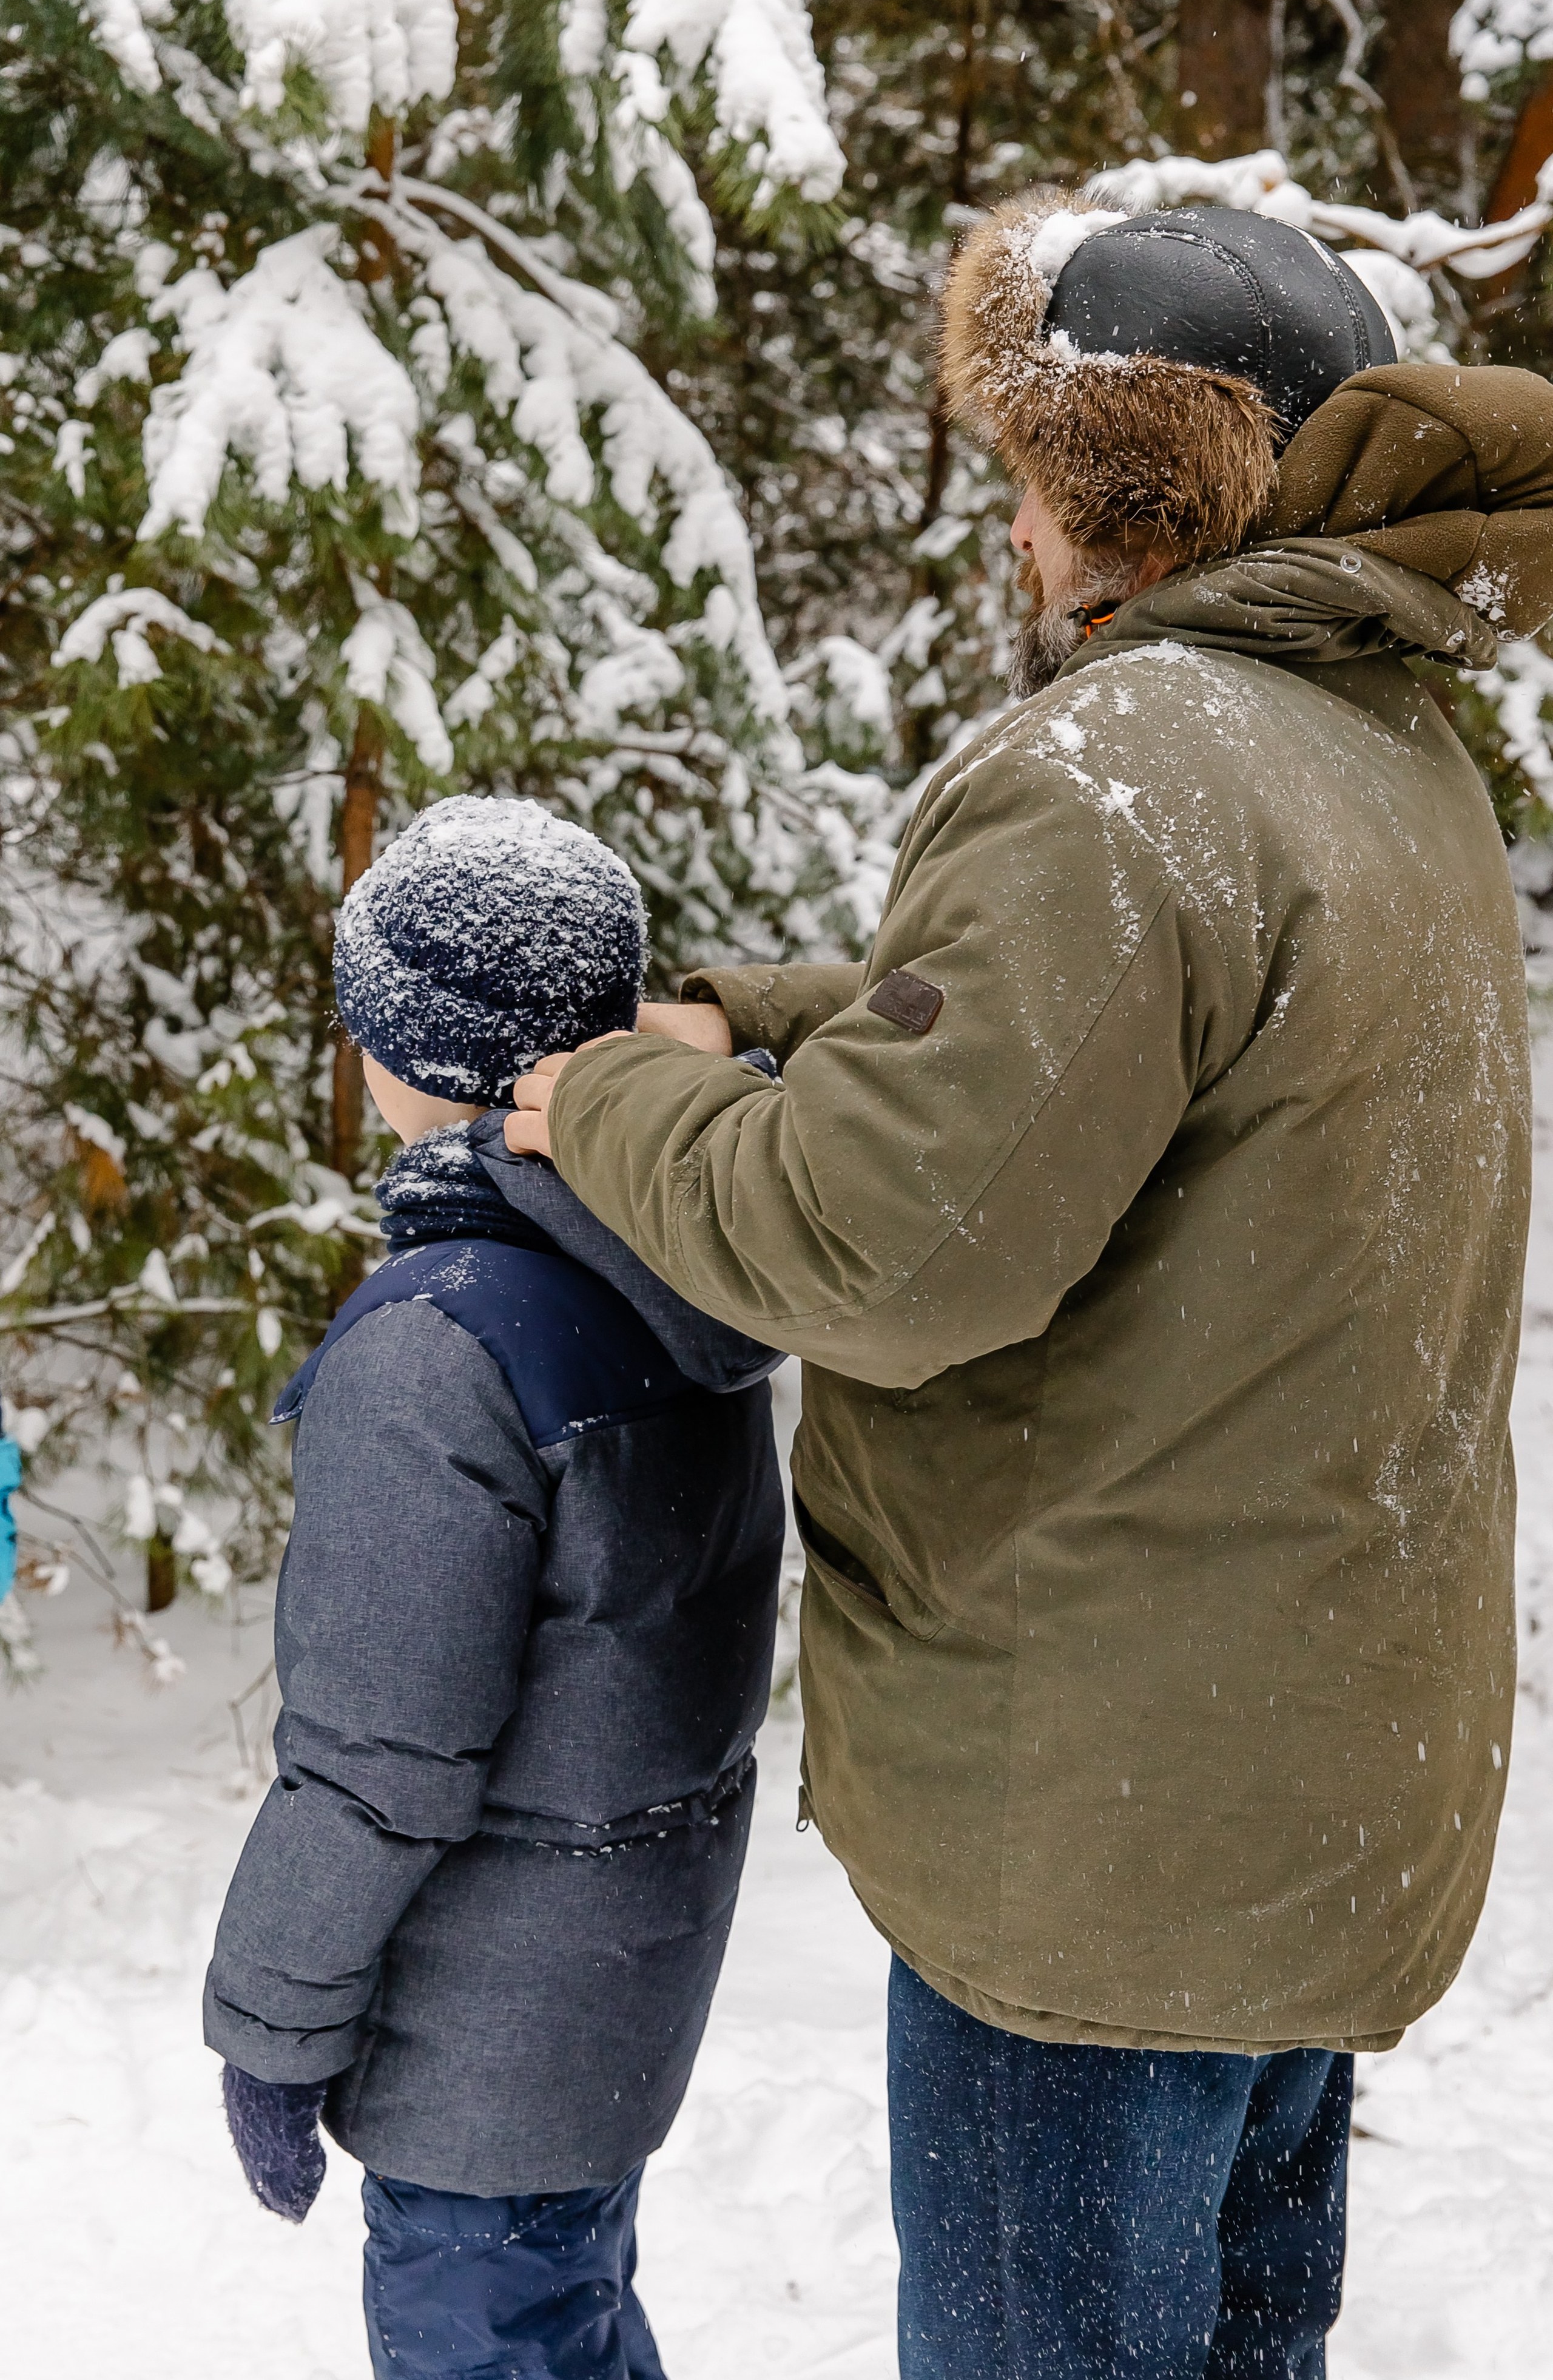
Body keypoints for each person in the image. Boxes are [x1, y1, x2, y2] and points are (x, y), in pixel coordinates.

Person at [501, 200, 1552, 2378]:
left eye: (1022, 472)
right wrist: (768, 1015)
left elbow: (875, 1244)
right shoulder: (1382, 752)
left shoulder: (1128, 771)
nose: (1007, 528)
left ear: (1118, 487)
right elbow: (1085, 1050)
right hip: (1304, 1797)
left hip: (1098, 1846)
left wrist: (597, 1096)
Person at [204, 794, 785, 2380]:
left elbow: (375, 1767)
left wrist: (266, 2033)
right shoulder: (690, 1259)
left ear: (406, 1051)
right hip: (615, 1998)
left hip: (481, 2050)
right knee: (571, 2322)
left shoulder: (434, 1353)